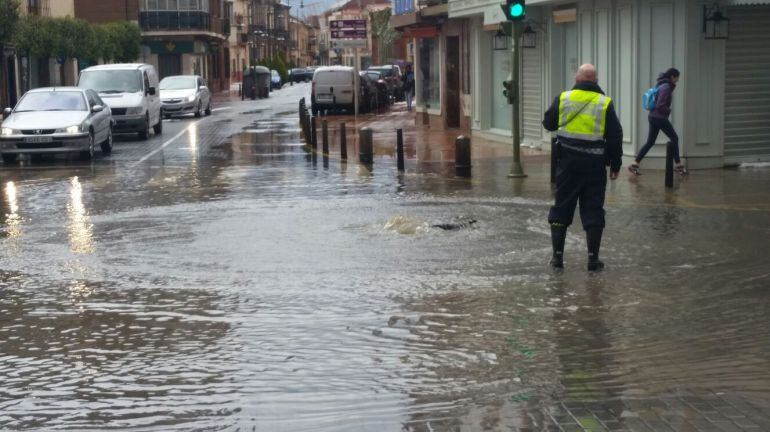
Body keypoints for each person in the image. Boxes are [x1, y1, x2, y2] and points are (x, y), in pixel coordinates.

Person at [542, 64, 623, 271]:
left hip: (567, 165)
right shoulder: (604, 103)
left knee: (562, 207)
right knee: (593, 209)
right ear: (595, 82)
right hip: (595, 167)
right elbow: (615, 136)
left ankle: (557, 258)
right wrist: (616, 164)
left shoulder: (564, 98)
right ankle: (592, 259)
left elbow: (548, 124)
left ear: (577, 80)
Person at [628, 68, 687, 176]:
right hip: (659, 118)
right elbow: (660, 105)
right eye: (677, 77)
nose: (678, 80)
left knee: (650, 142)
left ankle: (634, 164)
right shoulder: (666, 87)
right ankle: (678, 166)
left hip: (653, 116)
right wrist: (668, 111)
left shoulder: (661, 85)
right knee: (674, 138)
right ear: (673, 77)